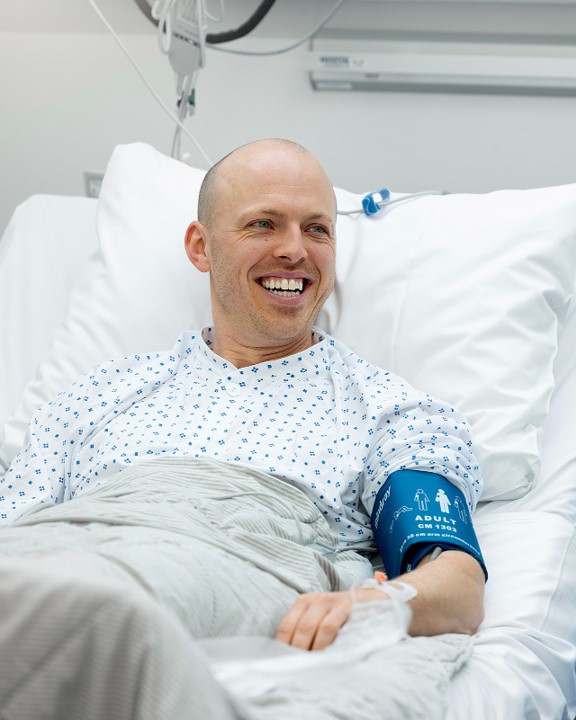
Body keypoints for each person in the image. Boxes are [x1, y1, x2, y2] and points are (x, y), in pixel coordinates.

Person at [0, 139, 486, 718]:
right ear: (200, 248)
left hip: (236, 560)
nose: (295, 251)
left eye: (318, 230)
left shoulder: (391, 413)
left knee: (94, 606)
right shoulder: (97, 394)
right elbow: (18, 531)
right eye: (264, 224)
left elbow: (456, 581)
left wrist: (377, 604)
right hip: (60, 552)